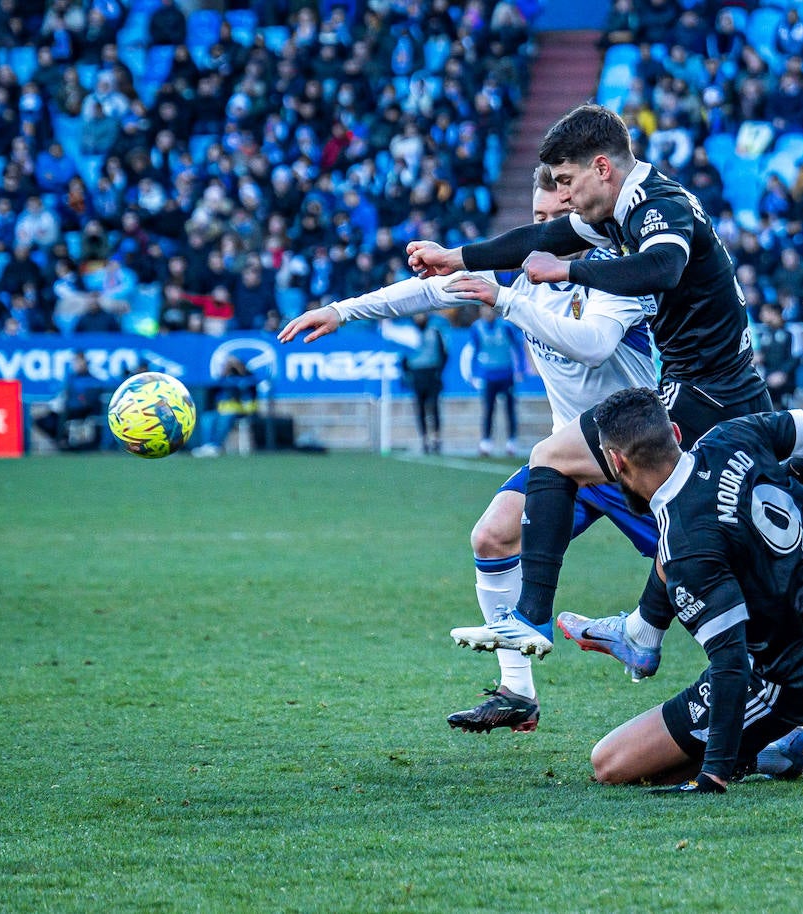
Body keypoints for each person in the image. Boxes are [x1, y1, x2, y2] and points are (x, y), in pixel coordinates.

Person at [279, 166, 660, 732]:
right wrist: (342, 311)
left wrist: (505, 300)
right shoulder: (526, 275)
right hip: (570, 462)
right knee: (492, 533)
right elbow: (430, 290)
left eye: (561, 219)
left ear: (586, 216)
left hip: (639, 461)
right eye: (538, 220)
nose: (547, 230)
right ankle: (517, 692)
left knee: (703, 571)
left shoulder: (613, 272)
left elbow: (593, 347)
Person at [405, 104, 771, 664]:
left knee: (557, 457)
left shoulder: (658, 206)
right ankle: (650, 637)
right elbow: (539, 236)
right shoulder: (615, 211)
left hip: (708, 394)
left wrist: (568, 269)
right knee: (703, 537)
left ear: (602, 167)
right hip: (706, 390)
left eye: (567, 181)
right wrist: (454, 255)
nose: (565, 195)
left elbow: (662, 270)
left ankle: (534, 620)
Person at [575, 388, 803, 793]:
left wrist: (714, 774)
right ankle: (642, 633)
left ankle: (774, 741)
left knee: (612, 762)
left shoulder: (686, 545)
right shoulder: (729, 436)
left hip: (793, 676)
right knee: (700, 557)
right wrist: (796, 477)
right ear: (674, 431)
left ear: (615, 461)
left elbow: (731, 664)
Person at [468, 302, 524, 456]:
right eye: (484, 308)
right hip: (488, 375)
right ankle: (486, 442)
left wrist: (520, 370)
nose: (488, 312)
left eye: (490, 308)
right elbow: (474, 351)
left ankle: (512, 441)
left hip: (506, 374)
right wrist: (473, 374)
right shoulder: (476, 327)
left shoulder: (506, 326)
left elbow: (518, 347)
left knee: (510, 409)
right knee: (488, 410)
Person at [404, 311, 449, 454]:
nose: (419, 317)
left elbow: (444, 353)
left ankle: (436, 437)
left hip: (431, 372)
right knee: (420, 408)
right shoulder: (408, 334)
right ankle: (424, 438)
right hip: (417, 374)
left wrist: (439, 371)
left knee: (434, 406)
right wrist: (407, 373)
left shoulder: (434, 332)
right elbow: (402, 356)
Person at [754, 300, 801, 407]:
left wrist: (782, 373)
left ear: (774, 313)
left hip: (786, 379)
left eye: (764, 312)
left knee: (785, 411)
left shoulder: (792, 331)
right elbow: (763, 356)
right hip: (767, 378)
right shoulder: (764, 333)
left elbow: (796, 356)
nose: (761, 316)